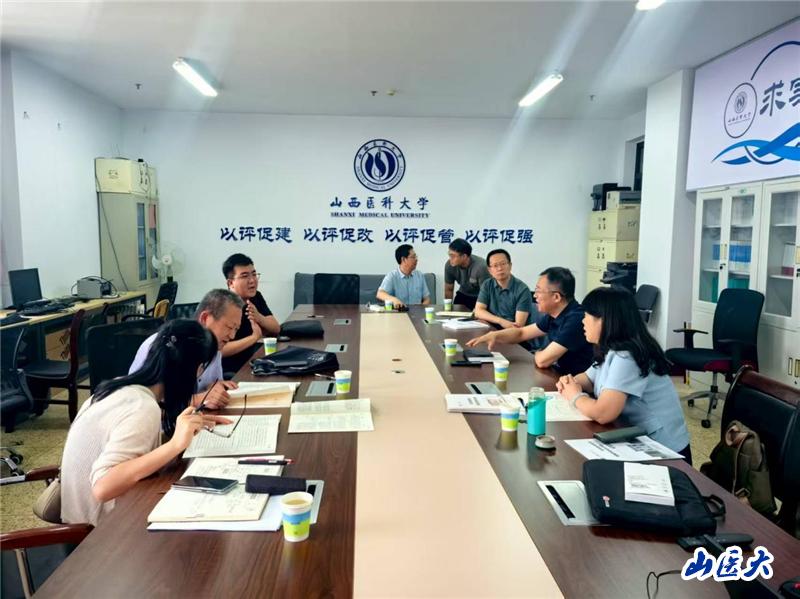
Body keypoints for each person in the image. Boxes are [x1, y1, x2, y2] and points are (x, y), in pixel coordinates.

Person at [60, 320, 231, 526]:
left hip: (79, 515)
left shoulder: (119, 387)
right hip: (97, 530)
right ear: (192, 369)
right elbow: (103, 487)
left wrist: (184, 430)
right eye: (202, 367)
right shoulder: (143, 407)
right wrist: (175, 445)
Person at [556, 286, 691, 461]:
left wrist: (575, 396)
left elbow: (604, 413)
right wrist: (570, 382)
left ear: (604, 320)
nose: (583, 321)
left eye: (587, 315)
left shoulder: (628, 356)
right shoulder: (611, 348)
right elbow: (588, 378)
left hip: (663, 450)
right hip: (634, 436)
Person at [129, 289, 243, 409]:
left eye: (236, 329)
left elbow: (210, 385)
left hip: (197, 416)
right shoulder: (165, 344)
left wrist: (214, 387)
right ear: (205, 318)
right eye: (229, 327)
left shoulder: (216, 346)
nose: (232, 336)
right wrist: (198, 399)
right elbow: (142, 401)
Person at [466, 267, 593, 374]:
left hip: (578, 383)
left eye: (538, 291)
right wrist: (495, 335)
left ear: (556, 297)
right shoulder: (554, 314)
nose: (535, 295)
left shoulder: (575, 319)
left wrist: (538, 353)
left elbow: (543, 361)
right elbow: (521, 333)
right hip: (560, 375)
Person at [221, 253, 281, 373]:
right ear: (230, 283)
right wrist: (253, 338)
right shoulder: (223, 305)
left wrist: (259, 317)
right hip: (230, 371)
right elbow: (219, 351)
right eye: (244, 276)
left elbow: (276, 328)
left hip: (251, 362)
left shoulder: (255, 297)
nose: (252, 280)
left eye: (254, 274)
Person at [474, 249, 533, 330]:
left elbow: (518, 326)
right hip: (490, 328)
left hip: (512, 333)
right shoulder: (487, 284)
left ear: (510, 265)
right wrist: (500, 321)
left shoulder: (522, 290)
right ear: (490, 270)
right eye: (495, 265)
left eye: (503, 264)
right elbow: (478, 311)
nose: (499, 268)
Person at [444, 238, 489, 310]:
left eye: (453, 256)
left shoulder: (481, 267)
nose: (450, 259)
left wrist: (479, 309)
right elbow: (449, 289)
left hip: (479, 297)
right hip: (463, 294)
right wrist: (448, 308)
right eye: (449, 255)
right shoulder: (449, 265)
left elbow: (486, 293)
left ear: (464, 256)